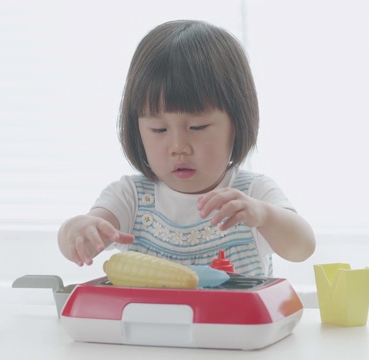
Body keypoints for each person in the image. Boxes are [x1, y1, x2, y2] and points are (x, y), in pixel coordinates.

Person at [57, 20, 315, 276]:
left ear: (236, 124)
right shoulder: (131, 198)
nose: (178, 147)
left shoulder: (253, 194)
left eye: (198, 127)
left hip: (232, 319)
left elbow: (302, 248)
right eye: (159, 130)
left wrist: (265, 216)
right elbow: (83, 240)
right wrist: (77, 230)